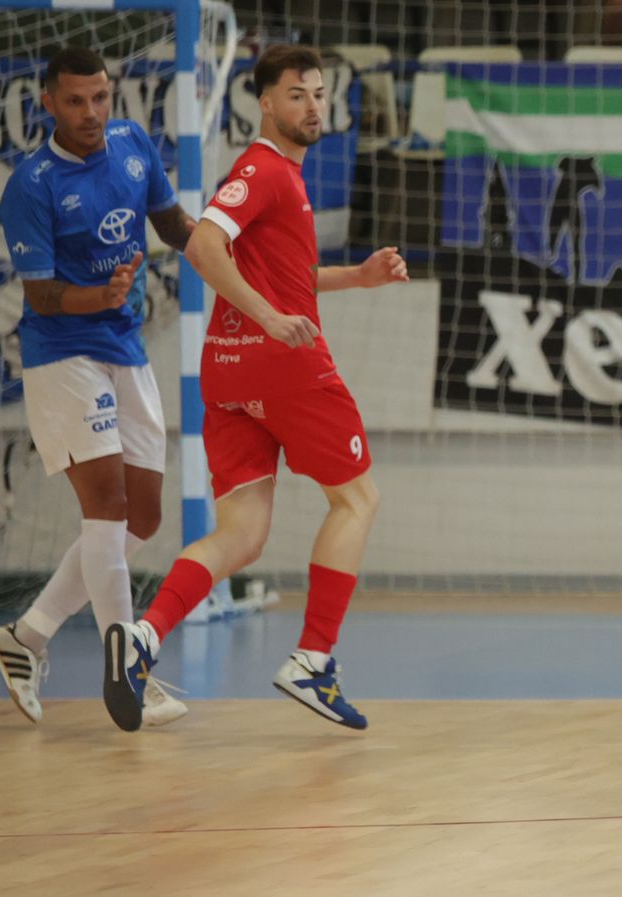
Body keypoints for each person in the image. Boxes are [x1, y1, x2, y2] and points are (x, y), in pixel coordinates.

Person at [99, 44, 409, 732]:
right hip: (283, 365)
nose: (313, 106)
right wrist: (270, 317)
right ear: (265, 103)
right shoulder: (263, 170)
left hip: (228, 371)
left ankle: (142, 640)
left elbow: (283, 274)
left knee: (240, 535)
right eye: (297, 94)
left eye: (320, 94)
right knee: (358, 497)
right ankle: (313, 660)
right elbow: (204, 243)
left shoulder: (281, 180)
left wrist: (356, 277)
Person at [0, 47, 196, 727]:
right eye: (75, 101)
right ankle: (127, 667)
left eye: (101, 97)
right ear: (47, 102)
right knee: (105, 505)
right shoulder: (33, 185)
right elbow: (44, 297)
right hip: (62, 353)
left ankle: (28, 638)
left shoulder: (134, 145)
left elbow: (170, 222)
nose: (92, 113)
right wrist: (99, 294)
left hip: (124, 348)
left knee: (145, 514)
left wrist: (221, 244)